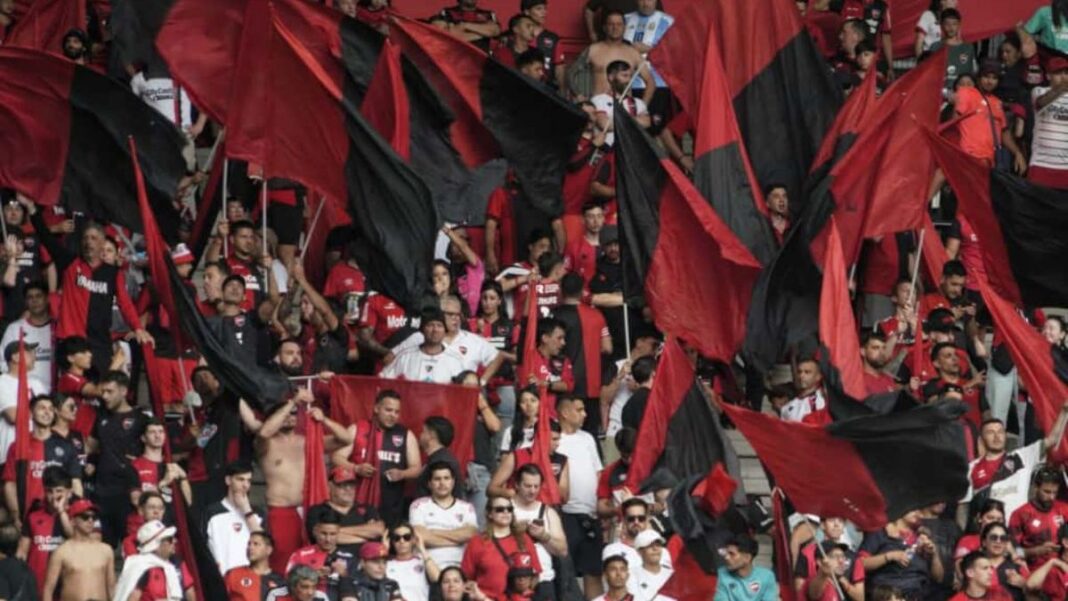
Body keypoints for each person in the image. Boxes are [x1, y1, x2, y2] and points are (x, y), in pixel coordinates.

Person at [22, 197, 153, 378]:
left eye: (93, 238)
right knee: (72, 390)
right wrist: (31, 208)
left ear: (102, 243)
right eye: (85, 238)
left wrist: (137, 327)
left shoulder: (113, 273)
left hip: (100, 343)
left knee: (102, 388)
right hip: (71, 341)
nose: (88, 242)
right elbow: (45, 236)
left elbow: (125, 303)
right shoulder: (69, 262)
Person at [253, 388, 354, 574]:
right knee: (282, 564)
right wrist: (293, 402)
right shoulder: (267, 444)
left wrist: (324, 419)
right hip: (282, 511)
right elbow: (264, 432)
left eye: (293, 413)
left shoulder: (307, 441)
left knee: (312, 562)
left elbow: (346, 439)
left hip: (310, 510)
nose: (289, 416)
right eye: (284, 413)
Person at [332, 389, 421, 527]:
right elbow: (336, 457)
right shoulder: (357, 429)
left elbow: (416, 468)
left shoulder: (405, 434)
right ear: (376, 408)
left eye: (396, 412)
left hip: (391, 503)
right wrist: (356, 468)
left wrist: (402, 474)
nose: (393, 415)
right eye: (388, 410)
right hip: (356, 500)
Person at [964, 404, 1068, 516]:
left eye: (1000, 432)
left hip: (1018, 524)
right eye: (990, 432)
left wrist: (1064, 412)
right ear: (981, 439)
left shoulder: (1022, 456)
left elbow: (1052, 440)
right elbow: (964, 504)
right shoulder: (971, 468)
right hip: (990, 524)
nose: (997, 436)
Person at [89, 370, 150, 545]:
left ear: (123, 391)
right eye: (103, 391)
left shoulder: (141, 419)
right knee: (102, 546)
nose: (105, 396)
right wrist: (91, 462)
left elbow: (153, 450)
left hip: (128, 493)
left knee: (131, 545)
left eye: (110, 391)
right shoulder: (101, 417)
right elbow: (91, 447)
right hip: (102, 492)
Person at [2, 394, 82, 520]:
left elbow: (76, 482)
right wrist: (16, 515)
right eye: (42, 408)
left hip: (59, 517)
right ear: (31, 413)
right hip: (28, 517)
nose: (47, 412)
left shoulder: (66, 445)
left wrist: (76, 513)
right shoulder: (18, 446)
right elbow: (9, 484)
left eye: (50, 409)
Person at [556, 395, 604, 598]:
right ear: (565, 413)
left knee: (593, 572)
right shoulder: (554, 439)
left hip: (591, 514)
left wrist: (601, 506)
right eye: (579, 410)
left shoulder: (588, 438)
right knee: (565, 573)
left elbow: (598, 472)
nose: (585, 414)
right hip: (564, 515)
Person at [461, 496, 543, 600]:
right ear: (490, 514)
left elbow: (535, 574)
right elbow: (467, 578)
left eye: (509, 509)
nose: (506, 512)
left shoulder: (524, 539)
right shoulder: (477, 542)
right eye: (500, 509)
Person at [511, 464, 568, 599]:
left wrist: (544, 536)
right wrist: (515, 532)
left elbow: (563, 550)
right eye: (527, 486)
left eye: (536, 486)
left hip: (543, 580)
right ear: (517, 485)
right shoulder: (505, 509)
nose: (532, 491)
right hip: (513, 580)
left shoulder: (548, 512)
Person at [858, 510, 944, 600]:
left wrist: (934, 554)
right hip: (888, 594)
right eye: (914, 509)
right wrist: (890, 556)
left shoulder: (923, 537)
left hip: (917, 595)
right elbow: (861, 564)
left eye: (921, 511)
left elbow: (939, 578)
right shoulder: (881, 533)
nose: (919, 514)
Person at [41, 499, 115, 601]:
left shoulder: (106, 550)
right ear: (72, 521)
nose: (90, 520)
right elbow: (48, 589)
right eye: (85, 517)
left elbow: (112, 588)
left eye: (93, 517)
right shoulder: (61, 552)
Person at [15, 467, 73, 596]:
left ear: (69, 493)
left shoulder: (76, 517)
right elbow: (22, 552)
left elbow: (76, 539)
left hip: (64, 588)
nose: (54, 496)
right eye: (49, 491)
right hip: (34, 586)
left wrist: (61, 512)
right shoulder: (33, 515)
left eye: (59, 491)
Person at [306, 466, 386, 558]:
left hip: (365, 562)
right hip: (331, 561)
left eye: (352, 485)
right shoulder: (317, 511)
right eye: (342, 485)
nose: (348, 489)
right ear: (330, 486)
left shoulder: (368, 509)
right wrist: (365, 537)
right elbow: (324, 540)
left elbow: (378, 531)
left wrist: (333, 531)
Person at [409, 462, 478, 570]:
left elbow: (471, 534)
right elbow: (420, 537)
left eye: (446, 478)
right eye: (437, 479)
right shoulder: (418, 505)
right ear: (429, 483)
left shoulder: (466, 507)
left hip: (459, 567)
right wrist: (459, 539)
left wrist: (433, 532)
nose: (442, 483)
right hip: (426, 565)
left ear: (453, 482)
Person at [204, 462, 266, 576]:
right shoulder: (211, 512)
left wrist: (247, 510)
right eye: (240, 479)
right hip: (221, 579)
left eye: (248, 481)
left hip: (251, 580)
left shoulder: (258, 514)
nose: (245, 485)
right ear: (228, 480)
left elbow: (264, 545)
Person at [113, 519, 196, 601]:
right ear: (155, 545)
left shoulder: (175, 563)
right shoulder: (141, 568)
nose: (175, 541)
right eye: (169, 539)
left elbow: (190, 593)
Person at [380, 308, 465, 384]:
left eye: (439, 325)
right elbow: (383, 379)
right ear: (422, 330)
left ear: (444, 331)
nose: (435, 330)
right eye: (430, 325)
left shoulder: (455, 360)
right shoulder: (405, 356)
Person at [586, 11, 654, 104]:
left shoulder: (633, 53)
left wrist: (642, 106)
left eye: (619, 24)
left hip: (624, 106)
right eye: (611, 24)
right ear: (604, 28)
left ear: (624, 28)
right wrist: (582, 102)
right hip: (598, 107)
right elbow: (573, 75)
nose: (615, 27)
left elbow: (650, 82)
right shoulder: (592, 50)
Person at [285, 510, 355, 599]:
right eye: (324, 533)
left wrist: (344, 574)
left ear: (338, 533)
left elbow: (359, 588)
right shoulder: (300, 555)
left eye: (332, 534)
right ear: (315, 531)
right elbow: (287, 582)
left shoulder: (350, 558)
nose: (328, 539)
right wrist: (312, 575)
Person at [1009, 466, 1068, 568]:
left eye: (1055, 492)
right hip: (1034, 571)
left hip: (1063, 570)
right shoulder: (1019, 514)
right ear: (1036, 487)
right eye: (1047, 492)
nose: (1052, 497)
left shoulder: (1064, 509)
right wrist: (1036, 551)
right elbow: (1012, 552)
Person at [0, 340, 47, 469]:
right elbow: (14, 416)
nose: (34, 356)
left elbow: (50, 412)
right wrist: (41, 411)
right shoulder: (2, 382)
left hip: (37, 454)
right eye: (29, 352)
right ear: (16, 357)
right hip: (9, 454)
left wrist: (39, 411)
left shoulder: (37, 383)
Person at [0, 280, 54, 389]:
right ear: (25, 302)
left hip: (55, 392)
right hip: (24, 392)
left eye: (38, 296)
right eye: (30, 297)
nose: (34, 300)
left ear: (47, 299)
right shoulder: (15, 328)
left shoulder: (57, 328)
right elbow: (2, 361)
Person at [590, 60, 651, 147]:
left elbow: (647, 122)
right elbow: (604, 124)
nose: (629, 80)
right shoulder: (598, 100)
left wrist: (616, 121)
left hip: (632, 150)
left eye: (631, 76)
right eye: (624, 75)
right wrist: (635, 120)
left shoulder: (638, 102)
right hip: (609, 151)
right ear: (611, 77)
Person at [1029, 56, 1068, 188]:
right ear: (1048, 76)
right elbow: (1041, 103)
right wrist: (1062, 88)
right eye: (1058, 73)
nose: (1063, 77)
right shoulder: (1039, 91)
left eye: (1066, 73)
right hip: (1041, 164)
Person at [225, 532, 287, 601]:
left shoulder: (281, 581)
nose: (250, 547)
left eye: (256, 544)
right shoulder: (233, 575)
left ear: (268, 550)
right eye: (249, 544)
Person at [714, 535, 779, 601]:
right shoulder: (723, 574)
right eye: (726, 553)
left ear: (747, 558)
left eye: (732, 554)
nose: (726, 557)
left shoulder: (766, 577)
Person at [976, 522, 1029, 601]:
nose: (998, 541)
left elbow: (1036, 596)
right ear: (984, 542)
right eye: (993, 537)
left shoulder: (1019, 569)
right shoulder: (975, 568)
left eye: (1003, 538)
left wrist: (1025, 585)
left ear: (1007, 543)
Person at [385, 523, 434, 601]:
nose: (402, 541)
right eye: (397, 538)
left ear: (413, 540)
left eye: (406, 537)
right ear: (392, 542)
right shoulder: (386, 564)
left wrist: (422, 548)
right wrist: (384, 550)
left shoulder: (422, 560)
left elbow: (436, 578)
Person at [628, 529, 674, 600]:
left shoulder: (673, 575)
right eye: (650, 546)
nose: (655, 549)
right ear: (640, 551)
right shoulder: (629, 576)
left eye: (658, 545)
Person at [780, 359, 826, 423]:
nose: (801, 376)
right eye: (799, 372)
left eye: (807, 372)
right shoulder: (786, 408)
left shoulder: (824, 402)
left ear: (818, 376)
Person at [861, 331, 897, 396]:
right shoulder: (858, 381)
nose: (881, 353)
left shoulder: (888, 379)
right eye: (876, 348)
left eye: (883, 348)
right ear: (863, 351)